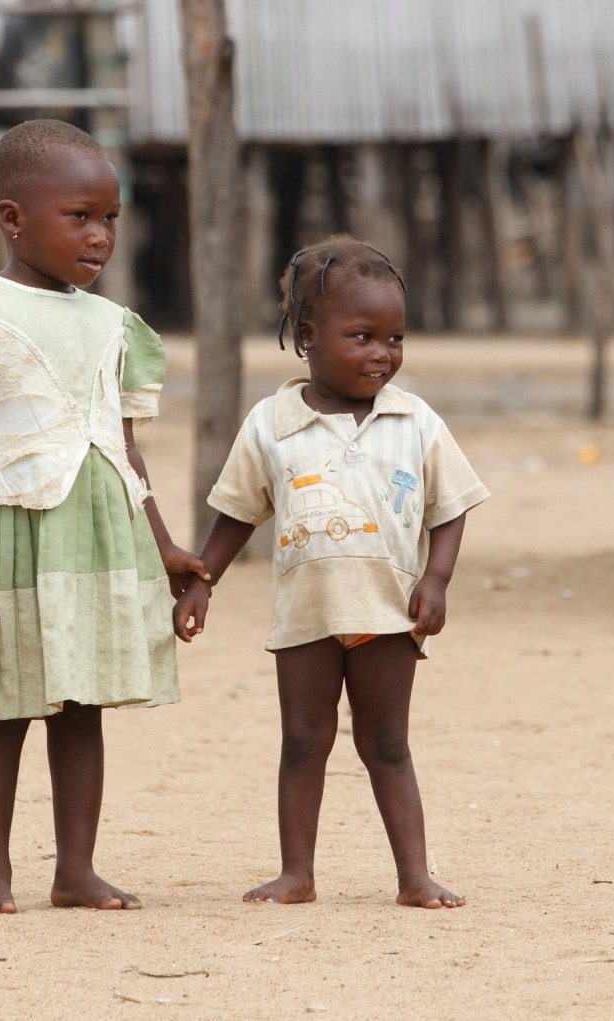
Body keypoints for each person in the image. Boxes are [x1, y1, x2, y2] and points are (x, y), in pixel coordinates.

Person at [0, 119, 206, 915]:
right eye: (80, 215)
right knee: (4, 700)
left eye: (111, 218)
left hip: (97, 532)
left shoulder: (113, 324)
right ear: (13, 218)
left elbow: (122, 445)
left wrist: (162, 543)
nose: (100, 236)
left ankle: (76, 869)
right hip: (5, 523)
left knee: (82, 704)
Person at [174, 235, 488, 909]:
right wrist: (205, 580)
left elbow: (451, 505)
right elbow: (237, 512)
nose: (383, 353)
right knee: (302, 742)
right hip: (306, 615)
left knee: (388, 744)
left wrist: (437, 579)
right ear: (308, 336)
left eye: (395, 337)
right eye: (363, 336)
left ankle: (414, 875)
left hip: (388, 612)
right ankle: (297, 873)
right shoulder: (271, 424)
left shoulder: (416, 420)